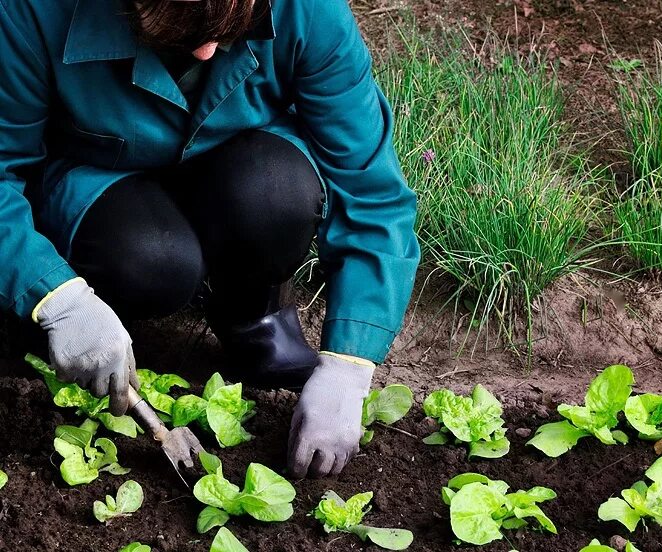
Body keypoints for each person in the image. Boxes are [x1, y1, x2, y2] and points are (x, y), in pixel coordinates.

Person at [0, 0, 420, 478]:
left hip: (237, 160)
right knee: (152, 262)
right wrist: (53, 296)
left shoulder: (307, 9)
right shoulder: (33, 10)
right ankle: (79, 323)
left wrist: (352, 360)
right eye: (181, 36)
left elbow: (371, 189)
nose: (205, 53)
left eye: (229, 33)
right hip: (96, 174)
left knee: (276, 197)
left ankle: (253, 318)